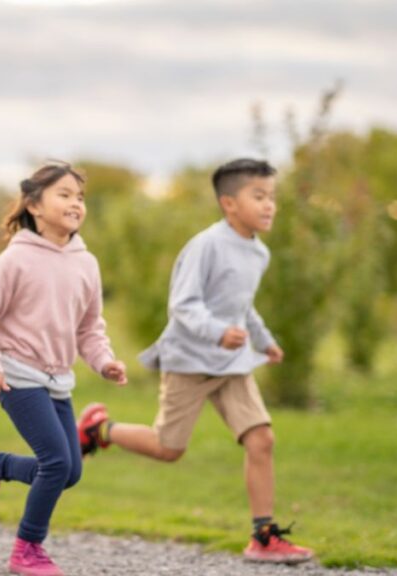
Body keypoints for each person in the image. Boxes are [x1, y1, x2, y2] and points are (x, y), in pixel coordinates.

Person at [77, 158, 313, 564]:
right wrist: (218, 331)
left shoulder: (259, 253)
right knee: (168, 448)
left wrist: (263, 339)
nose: (269, 205)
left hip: (233, 365)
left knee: (262, 439)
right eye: (258, 196)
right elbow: (182, 306)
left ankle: (264, 535)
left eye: (272, 196)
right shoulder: (206, 245)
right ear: (229, 203)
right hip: (189, 360)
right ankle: (101, 430)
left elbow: (243, 306)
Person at [0, 162, 127, 576]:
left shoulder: (86, 263)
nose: (75, 203)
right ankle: (27, 550)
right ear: (34, 204)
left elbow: (89, 327)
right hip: (15, 373)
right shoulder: (15, 261)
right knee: (54, 463)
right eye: (64, 195)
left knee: (69, 471)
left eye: (80, 197)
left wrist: (104, 360)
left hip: (56, 379)